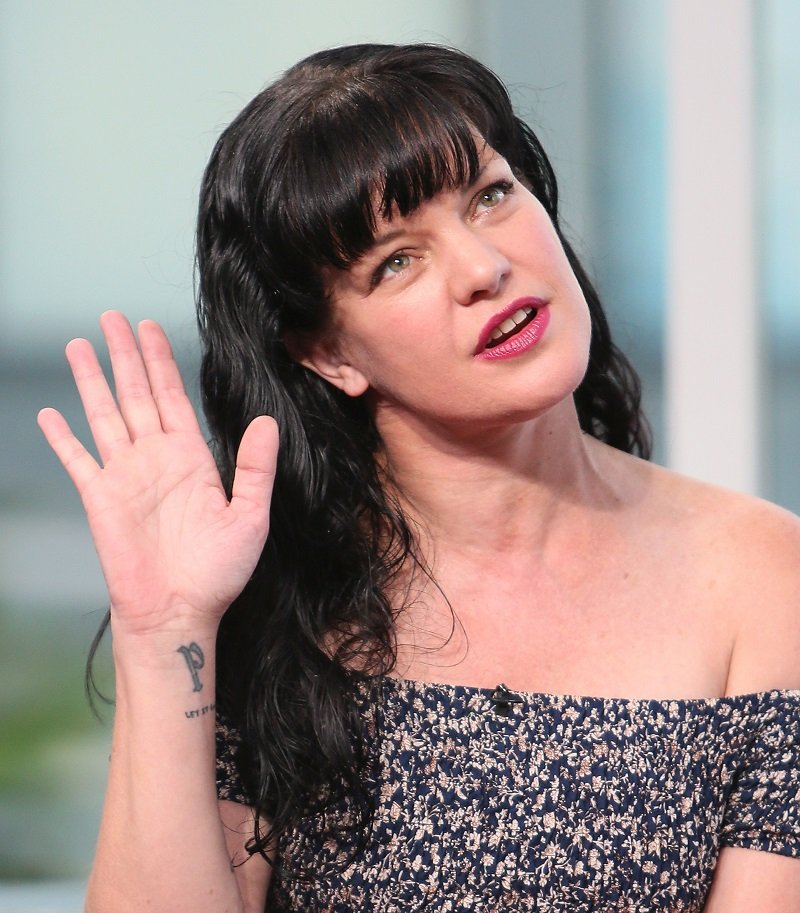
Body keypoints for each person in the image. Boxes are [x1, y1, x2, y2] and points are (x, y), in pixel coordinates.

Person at [38, 43, 799, 912]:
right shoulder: (275, 599)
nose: (484, 268)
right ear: (327, 353)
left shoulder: (766, 574)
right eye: (396, 260)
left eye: (491, 195)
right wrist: (164, 628)